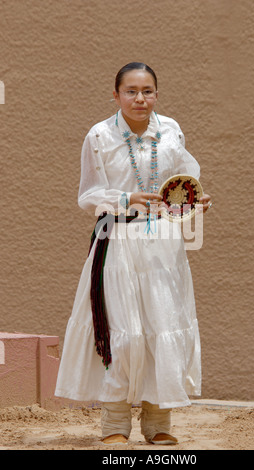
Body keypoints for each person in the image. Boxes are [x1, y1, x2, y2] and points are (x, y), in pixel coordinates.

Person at [55, 62, 212, 445]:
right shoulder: (99, 136)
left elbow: (184, 181)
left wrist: (195, 202)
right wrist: (126, 198)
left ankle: (159, 423)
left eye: (148, 91)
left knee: (163, 323)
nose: (140, 99)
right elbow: (88, 195)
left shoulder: (171, 129)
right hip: (117, 238)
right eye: (131, 91)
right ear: (116, 95)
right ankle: (114, 425)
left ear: (157, 93)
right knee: (122, 331)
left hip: (163, 242)